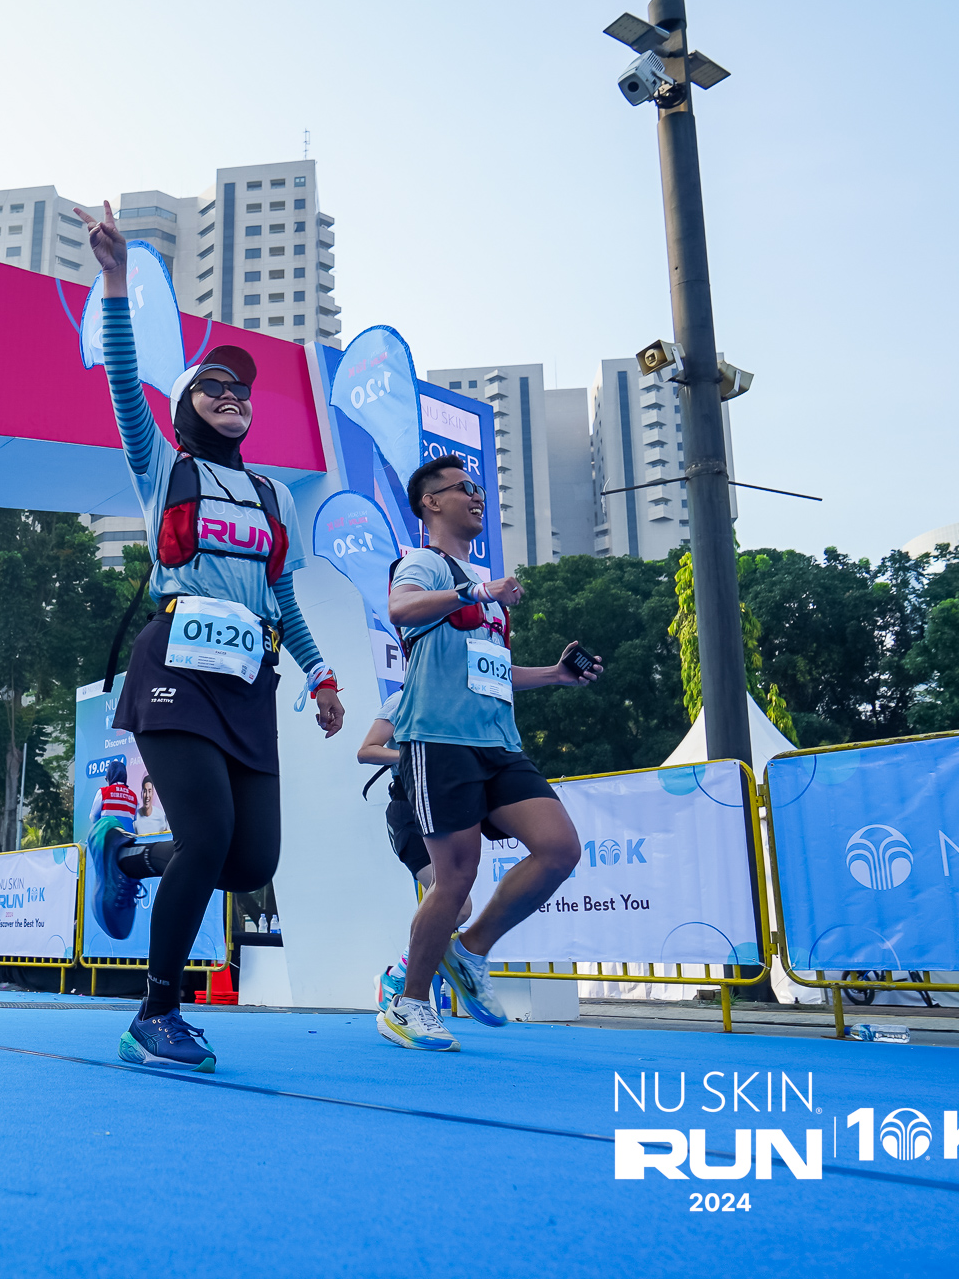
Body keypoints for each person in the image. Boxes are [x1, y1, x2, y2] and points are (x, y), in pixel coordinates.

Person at [76, 202, 345, 1073]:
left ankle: (124, 855)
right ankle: (155, 1015)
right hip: (175, 670)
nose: (232, 397)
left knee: (249, 857)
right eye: (212, 389)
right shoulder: (164, 466)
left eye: (241, 392)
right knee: (207, 834)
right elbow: (124, 381)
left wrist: (321, 675)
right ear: (186, 408)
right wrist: (116, 280)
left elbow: (283, 597)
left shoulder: (274, 497)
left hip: (248, 683)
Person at [376, 454, 602, 1053]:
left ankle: (471, 950)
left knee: (559, 849)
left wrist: (554, 675)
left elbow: (494, 669)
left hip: (500, 743)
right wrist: (474, 590)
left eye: (479, 489)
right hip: (439, 738)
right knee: (455, 878)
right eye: (463, 489)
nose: (477, 497)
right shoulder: (424, 563)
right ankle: (409, 1003)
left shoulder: (489, 594)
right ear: (431, 503)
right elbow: (400, 609)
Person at [358, 690, 474, 1011]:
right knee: (458, 905)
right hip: (408, 811)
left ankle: (402, 975)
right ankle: (399, 977)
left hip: (440, 813)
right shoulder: (404, 700)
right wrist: (411, 756)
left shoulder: (456, 700)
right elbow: (366, 751)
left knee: (458, 907)